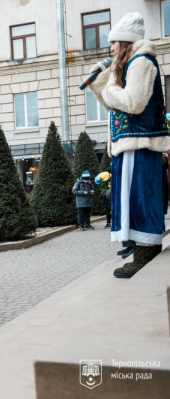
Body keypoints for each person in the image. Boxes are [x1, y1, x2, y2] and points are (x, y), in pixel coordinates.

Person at [88, 12, 170, 277]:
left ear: (125, 42)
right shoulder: (129, 64)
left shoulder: (142, 62)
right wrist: (101, 85)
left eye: (114, 43)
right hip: (129, 143)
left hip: (141, 143)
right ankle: (139, 251)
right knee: (130, 199)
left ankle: (147, 251)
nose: (111, 48)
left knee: (141, 197)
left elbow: (133, 103)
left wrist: (110, 86)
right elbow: (116, 107)